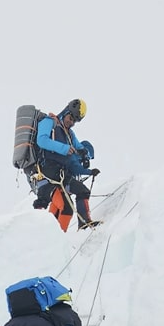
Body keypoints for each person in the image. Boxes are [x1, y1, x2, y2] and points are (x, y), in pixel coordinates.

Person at [30, 98, 102, 231]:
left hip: (61, 174)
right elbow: (41, 140)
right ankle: (54, 238)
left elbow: (79, 147)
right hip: (47, 173)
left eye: (75, 121)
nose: (72, 122)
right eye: (71, 118)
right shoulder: (49, 122)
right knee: (62, 205)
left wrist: (85, 155)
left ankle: (81, 227)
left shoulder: (69, 133)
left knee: (77, 197)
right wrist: (64, 148)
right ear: (66, 111)